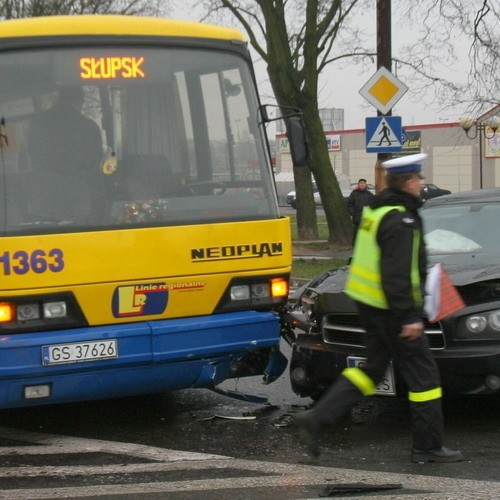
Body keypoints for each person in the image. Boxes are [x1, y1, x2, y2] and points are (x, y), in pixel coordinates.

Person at [294, 153, 463, 464]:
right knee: (425, 377)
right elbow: (396, 273)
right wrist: (409, 317)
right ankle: (428, 446)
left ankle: (316, 418)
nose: (420, 184)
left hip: (369, 305)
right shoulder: (401, 218)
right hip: (391, 311)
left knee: (371, 370)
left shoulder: (376, 211)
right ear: (410, 182)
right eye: (418, 179)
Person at [27, 85, 104, 222]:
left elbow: (30, 153)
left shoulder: (38, 123)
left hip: (42, 196)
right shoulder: (88, 127)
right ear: (80, 102)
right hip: (75, 196)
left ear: (59, 99)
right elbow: (95, 161)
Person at [347, 178, 374, 243]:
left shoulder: (369, 194)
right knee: (356, 233)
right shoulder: (354, 193)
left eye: (363, 183)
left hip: (366, 217)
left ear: (365, 185)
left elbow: (373, 204)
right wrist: (352, 213)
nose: (362, 184)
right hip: (357, 216)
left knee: (366, 232)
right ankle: (355, 245)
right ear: (358, 184)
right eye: (361, 183)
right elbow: (349, 204)